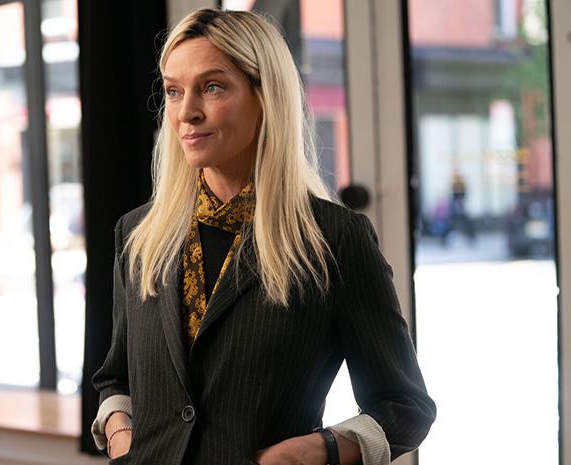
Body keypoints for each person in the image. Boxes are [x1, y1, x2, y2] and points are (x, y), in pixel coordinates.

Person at [91, 8, 435, 465]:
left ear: (265, 96)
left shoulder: (334, 240)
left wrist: (315, 450)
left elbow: (405, 408)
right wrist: (120, 434)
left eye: (212, 87)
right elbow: (116, 378)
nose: (187, 112)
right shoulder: (137, 235)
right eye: (174, 91)